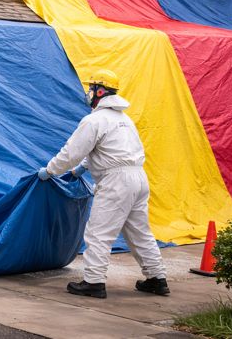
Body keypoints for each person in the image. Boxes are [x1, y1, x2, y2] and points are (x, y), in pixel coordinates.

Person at [37, 69, 168, 299]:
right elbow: (111, 151)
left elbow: (71, 152)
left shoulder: (94, 120)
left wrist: (50, 170)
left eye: (91, 88)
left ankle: (94, 282)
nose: (87, 93)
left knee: (99, 233)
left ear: (100, 91)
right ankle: (157, 279)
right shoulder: (124, 120)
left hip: (116, 182)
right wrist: (84, 168)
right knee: (140, 233)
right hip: (138, 178)